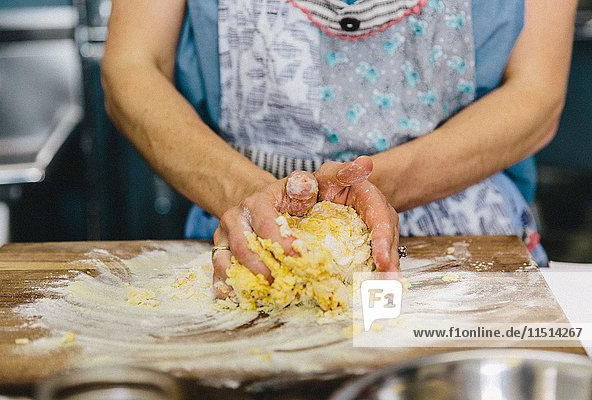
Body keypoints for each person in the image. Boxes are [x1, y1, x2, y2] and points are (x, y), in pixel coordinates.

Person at [101, 0, 577, 292]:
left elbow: (536, 93)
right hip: (248, 238)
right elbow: (133, 66)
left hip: (464, 247)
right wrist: (253, 196)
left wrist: (351, 193)